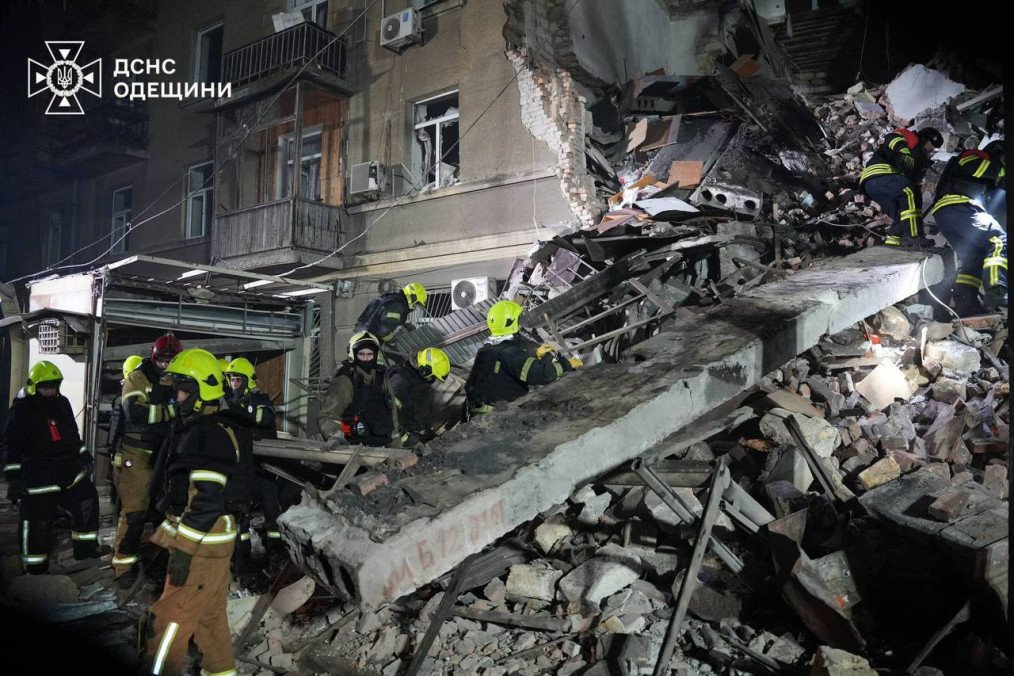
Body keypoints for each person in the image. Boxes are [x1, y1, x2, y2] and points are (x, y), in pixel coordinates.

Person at [145, 348, 252, 676]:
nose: (176, 397)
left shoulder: (209, 434)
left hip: (202, 545)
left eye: (181, 390)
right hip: (214, 542)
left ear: (199, 391)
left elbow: (205, 501)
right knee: (210, 618)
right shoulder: (209, 428)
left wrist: (183, 550)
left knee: (171, 620)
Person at [1, 361, 109, 573]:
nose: (51, 391)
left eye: (54, 386)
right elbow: (12, 445)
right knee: (38, 521)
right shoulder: (22, 409)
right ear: (34, 386)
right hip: (39, 474)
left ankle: (85, 551)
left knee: (87, 499)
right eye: (46, 387)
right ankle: (34, 569)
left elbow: (72, 436)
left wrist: (85, 456)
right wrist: (14, 478)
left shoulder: (63, 403)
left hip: (67, 470)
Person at [112, 334, 181, 595]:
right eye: (161, 360)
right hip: (138, 453)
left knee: (167, 511)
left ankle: (164, 564)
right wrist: (170, 411)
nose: (165, 365)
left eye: (170, 360)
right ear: (154, 357)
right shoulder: (137, 378)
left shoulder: (178, 377)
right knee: (135, 512)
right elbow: (136, 412)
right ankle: (123, 567)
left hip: (167, 453)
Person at [928, 139, 1007, 315]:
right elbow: (975, 168)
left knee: (974, 258)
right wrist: (1002, 170)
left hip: (948, 215)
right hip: (960, 207)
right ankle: (998, 289)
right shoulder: (974, 155)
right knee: (998, 239)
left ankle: (965, 304)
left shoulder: (983, 179)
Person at [465, 300, 580, 415]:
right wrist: (567, 364)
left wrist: (536, 354)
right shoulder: (509, 352)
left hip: (479, 409)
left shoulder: (486, 350)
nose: (520, 326)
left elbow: (508, 368)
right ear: (510, 323)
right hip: (498, 414)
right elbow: (541, 375)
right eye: (518, 321)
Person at [223, 357, 284, 565]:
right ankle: (242, 555)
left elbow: (263, 418)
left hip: (263, 466)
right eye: (232, 380)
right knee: (241, 511)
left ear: (248, 380)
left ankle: (276, 549)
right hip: (241, 467)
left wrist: (236, 410)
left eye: (238, 380)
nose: (234, 384)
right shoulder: (228, 401)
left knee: (270, 507)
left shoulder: (262, 400)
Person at [860, 126, 943, 245]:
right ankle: (913, 235)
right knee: (909, 191)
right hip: (881, 173)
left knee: (904, 210)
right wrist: (904, 151)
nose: (932, 149)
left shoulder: (921, 160)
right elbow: (891, 137)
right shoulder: (912, 139)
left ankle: (894, 239)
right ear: (925, 139)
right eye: (932, 145)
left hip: (873, 186)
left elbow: (914, 180)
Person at [318, 331, 395, 446]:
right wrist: (335, 434)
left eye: (370, 354)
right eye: (361, 354)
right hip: (353, 445)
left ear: (375, 355)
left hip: (382, 444)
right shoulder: (346, 379)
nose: (366, 358)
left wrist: (397, 445)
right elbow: (328, 414)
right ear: (353, 354)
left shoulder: (382, 377)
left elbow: (392, 414)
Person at [387, 347, 451, 448]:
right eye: (432, 376)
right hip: (394, 437)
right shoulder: (400, 382)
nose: (432, 380)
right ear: (425, 370)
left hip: (412, 433)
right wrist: (405, 438)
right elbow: (386, 413)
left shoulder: (418, 382)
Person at [354, 282, 428, 344]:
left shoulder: (394, 299)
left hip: (362, 332)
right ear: (412, 298)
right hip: (369, 340)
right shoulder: (398, 307)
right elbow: (384, 331)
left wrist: (406, 324)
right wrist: (392, 343)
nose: (415, 307)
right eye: (417, 303)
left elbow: (388, 317)